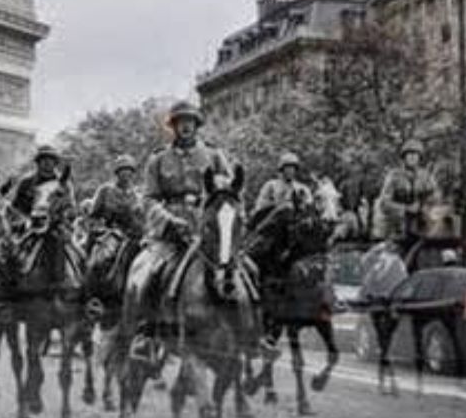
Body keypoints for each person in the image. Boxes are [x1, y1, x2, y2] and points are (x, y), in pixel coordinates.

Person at [123, 101, 233, 352]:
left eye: (190, 121)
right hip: (171, 233)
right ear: (173, 126)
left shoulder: (215, 155)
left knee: (243, 269)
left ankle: (253, 326)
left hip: (208, 227)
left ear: (196, 125)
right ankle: (146, 332)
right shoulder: (158, 159)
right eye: (180, 122)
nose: (185, 126)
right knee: (150, 272)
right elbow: (149, 199)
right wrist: (169, 220)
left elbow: (228, 191)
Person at [379, 139, 436, 240]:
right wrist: (406, 208)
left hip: (422, 227)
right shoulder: (394, 176)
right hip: (398, 227)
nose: (412, 157)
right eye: (409, 154)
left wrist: (425, 207)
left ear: (420, 157)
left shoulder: (426, 176)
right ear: (404, 158)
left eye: (415, 154)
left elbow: (435, 197)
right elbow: (384, 203)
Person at [7, 145, 68, 229]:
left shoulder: (64, 184)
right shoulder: (26, 183)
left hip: (55, 227)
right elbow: (15, 207)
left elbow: (69, 207)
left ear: (55, 162)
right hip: (28, 226)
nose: (47, 162)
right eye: (43, 159)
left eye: (51, 159)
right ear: (38, 162)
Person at [89, 155, 145, 244]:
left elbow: (142, 220)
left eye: (129, 170)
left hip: (132, 236)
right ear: (117, 173)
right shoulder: (105, 190)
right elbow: (93, 216)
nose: (126, 173)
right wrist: (100, 228)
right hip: (108, 234)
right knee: (104, 254)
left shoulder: (138, 195)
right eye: (123, 170)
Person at [253, 151, 317, 227]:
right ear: (282, 169)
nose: (290, 170)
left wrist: (302, 205)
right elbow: (260, 206)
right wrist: (277, 204)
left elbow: (310, 207)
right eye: (288, 168)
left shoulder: (302, 188)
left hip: (296, 224)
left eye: (293, 168)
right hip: (273, 225)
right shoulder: (271, 185)